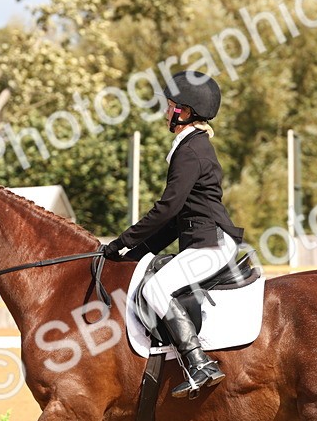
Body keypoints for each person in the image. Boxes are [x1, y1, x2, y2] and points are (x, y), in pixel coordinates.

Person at [101, 70, 245, 398]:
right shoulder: (191, 146)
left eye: (170, 106)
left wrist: (123, 241)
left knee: (156, 289)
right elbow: (175, 221)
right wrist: (135, 253)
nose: (166, 112)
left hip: (210, 245)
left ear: (185, 111)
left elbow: (167, 209)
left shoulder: (191, 151)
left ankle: (199, 364)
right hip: (203, 241)